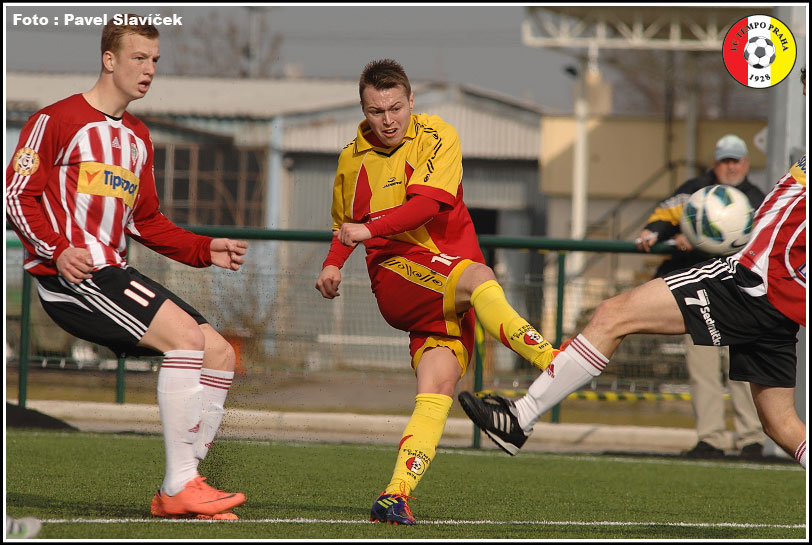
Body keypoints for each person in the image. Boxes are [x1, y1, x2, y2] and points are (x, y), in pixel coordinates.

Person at [459, 68, 806, 471]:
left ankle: (520, 418)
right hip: (777, 298)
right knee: (780, 423)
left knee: (613, 314)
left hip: (751, 279)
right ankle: (520, 418)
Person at [5, 18, 249, 520]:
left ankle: (184, 484)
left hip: (113, 273)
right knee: (185, 339)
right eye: (139, 58)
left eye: (155, 60)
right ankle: (180, 484)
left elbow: (147, 221)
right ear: (109, 59)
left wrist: (205, 248)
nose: (149, 69)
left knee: (220, 353)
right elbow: (15, 195)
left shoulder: (138, 136)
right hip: (73, 279)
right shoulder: (57, 120)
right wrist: (57, 250)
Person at [315, 59, 556, 525]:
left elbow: (426, 205)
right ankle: (554, 362)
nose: (388, 120)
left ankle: (395, 495)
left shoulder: (437, 135)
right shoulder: (351, 159)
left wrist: (365, 230)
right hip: (399, 274)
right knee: (480, 276)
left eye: (396, 108)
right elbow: (344, 225)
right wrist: (332, 263)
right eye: (376, 111)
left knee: (438, 388)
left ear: (411, 101)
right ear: (363, 110)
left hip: (449, 288)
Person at [636, 134, 766, 460]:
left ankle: (751, 439)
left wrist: (695, 238)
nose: (731, 167)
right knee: (703, 370)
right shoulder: (694, 190)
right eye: (725, 161)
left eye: (736, 161)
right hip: (698, 295)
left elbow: (765, 239)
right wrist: (655, 232)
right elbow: (664, 215)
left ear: (746, 164)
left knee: (741, 370)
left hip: (739, 297)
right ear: (714, 163)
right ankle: (711, 439)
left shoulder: (756, 198)